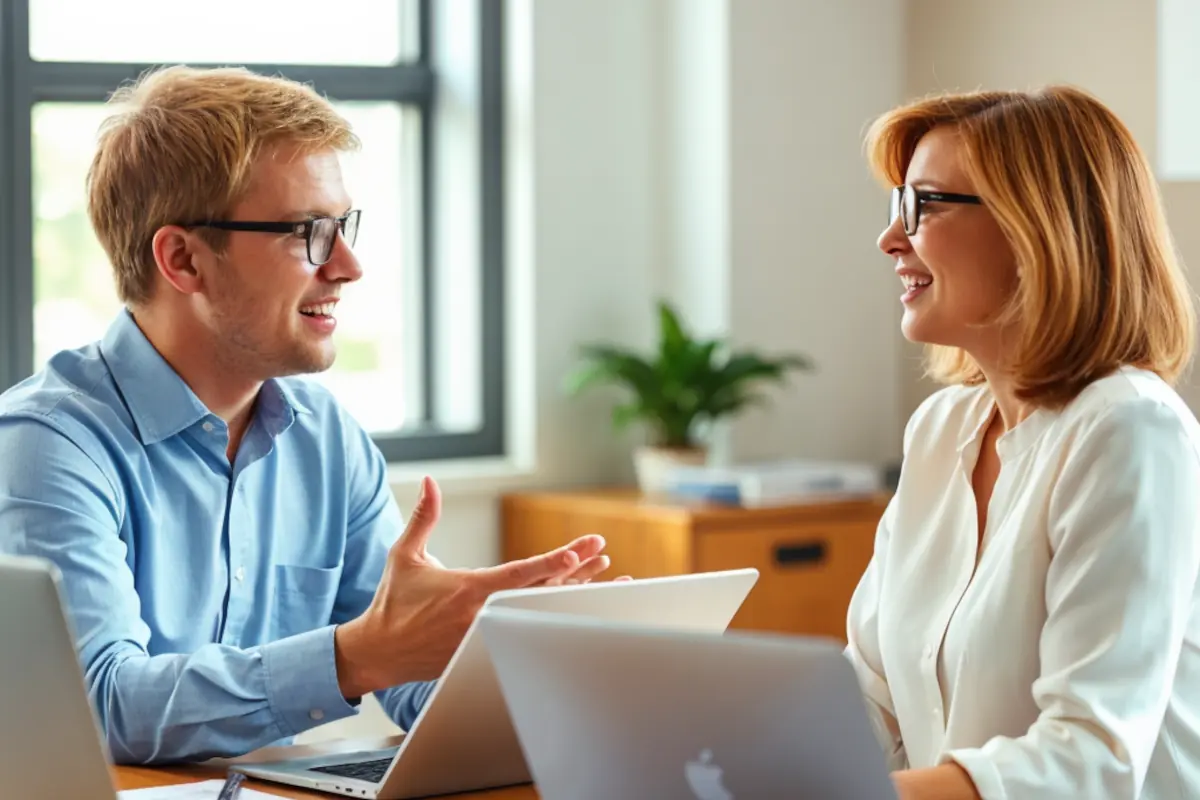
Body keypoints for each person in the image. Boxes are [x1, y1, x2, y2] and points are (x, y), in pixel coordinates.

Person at [0, 65, 615, 765]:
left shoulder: (325, 438)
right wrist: (353, 657)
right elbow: (100, 707)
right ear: (183, 260)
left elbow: (407, 665)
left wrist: (539, 673)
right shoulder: (44, 444)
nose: (348, 265)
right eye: (308, 233)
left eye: (343, 226)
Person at [846, 85, 1200, 800]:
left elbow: (1089, 759)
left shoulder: (1129, 428)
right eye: (896, 206)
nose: (890, 239)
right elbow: (876, 697)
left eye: (923, 204)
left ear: (1036, 227)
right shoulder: (940, 431)